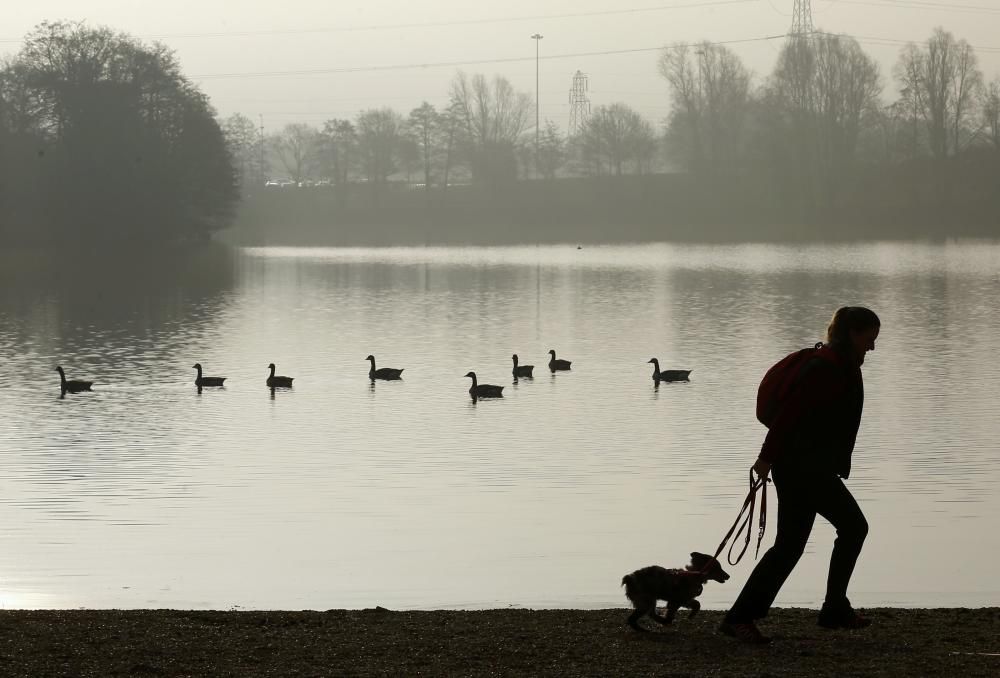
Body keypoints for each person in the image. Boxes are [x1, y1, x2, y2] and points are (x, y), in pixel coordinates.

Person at [719, 306, 881, 644]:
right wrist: (765, 459)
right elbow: (790, 416)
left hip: (805, 466)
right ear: (853, 333)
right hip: (802, 468)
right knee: (852, 528)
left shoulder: (838, 364)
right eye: (870, 338)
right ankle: (830, 608)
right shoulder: (826, 369)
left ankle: (743, 617)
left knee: (790, 546)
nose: (873, 346)